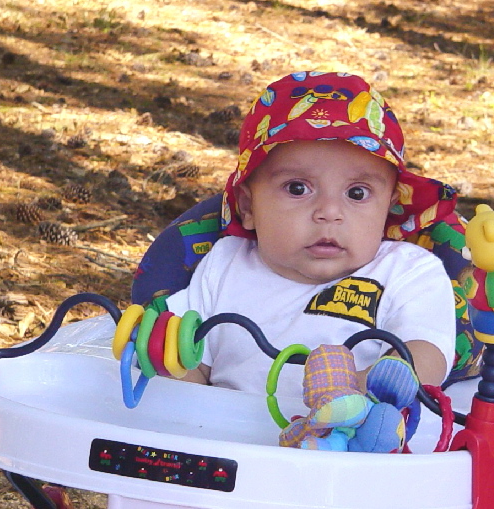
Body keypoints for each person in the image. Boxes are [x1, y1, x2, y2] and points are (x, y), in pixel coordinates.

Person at [165, 71, 458, 399]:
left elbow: (426, 353)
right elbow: (185, 361)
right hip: (224, 429)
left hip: (355, 426)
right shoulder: (224, 263)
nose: (329, 212)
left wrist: (361, 392)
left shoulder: (407, 271)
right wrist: (172, 377)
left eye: (357, 193)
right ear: (248, 206)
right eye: (297, 188)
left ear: (387, 209)